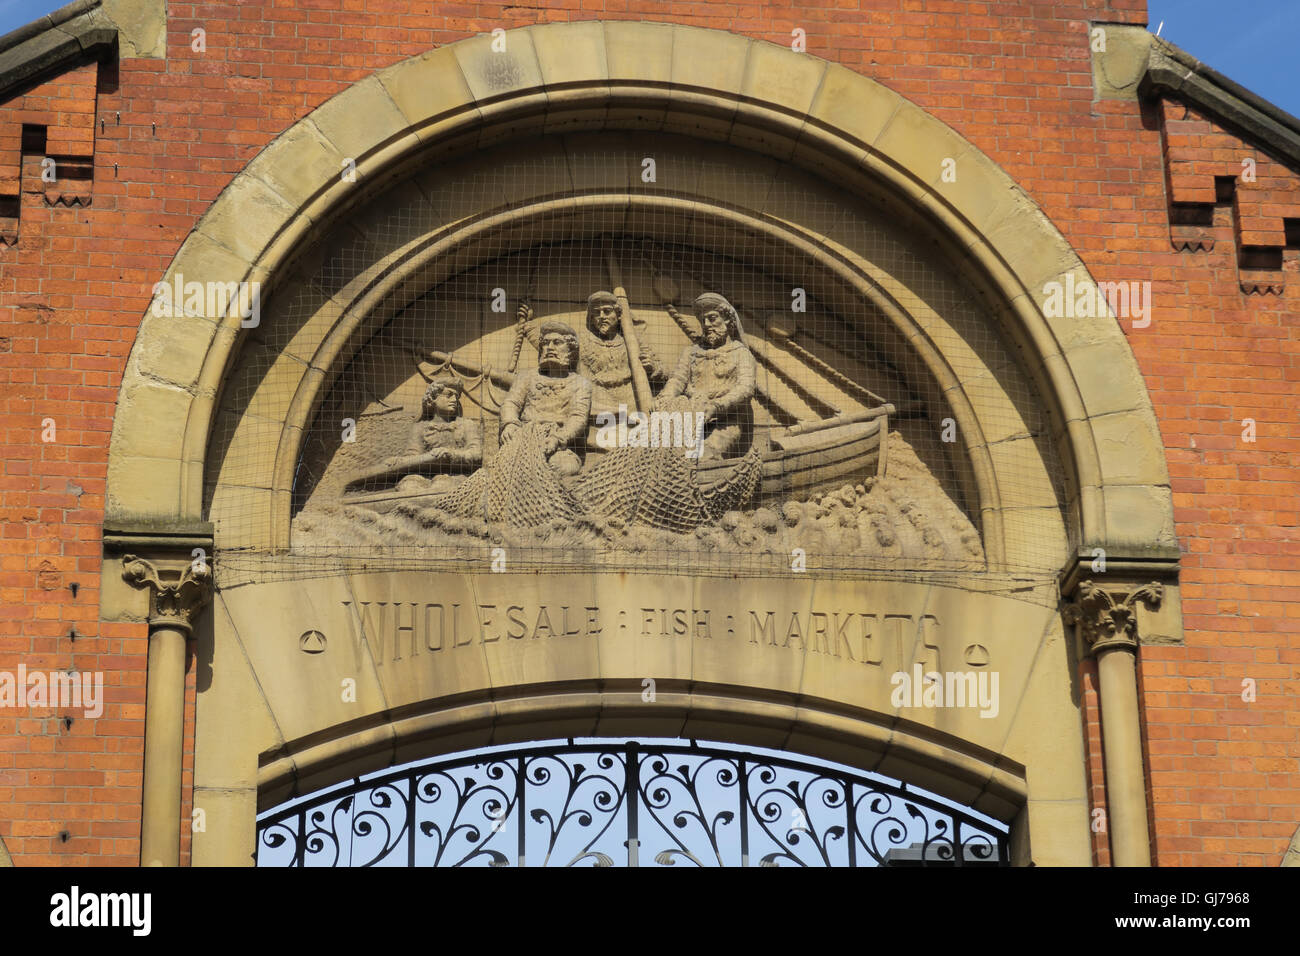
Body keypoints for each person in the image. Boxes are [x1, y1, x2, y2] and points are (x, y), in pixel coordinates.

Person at [655, 292, 756, 459]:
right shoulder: (691, 352)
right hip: (689, 418)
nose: (706, 324)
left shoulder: (741, 354)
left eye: (712, 318)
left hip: (726, 422)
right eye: (703, 320)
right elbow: (677, 379)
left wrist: (717, 406)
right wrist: (664, 397)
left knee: (704, 457)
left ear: (727, 320)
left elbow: (745, 389)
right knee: (663, 456)